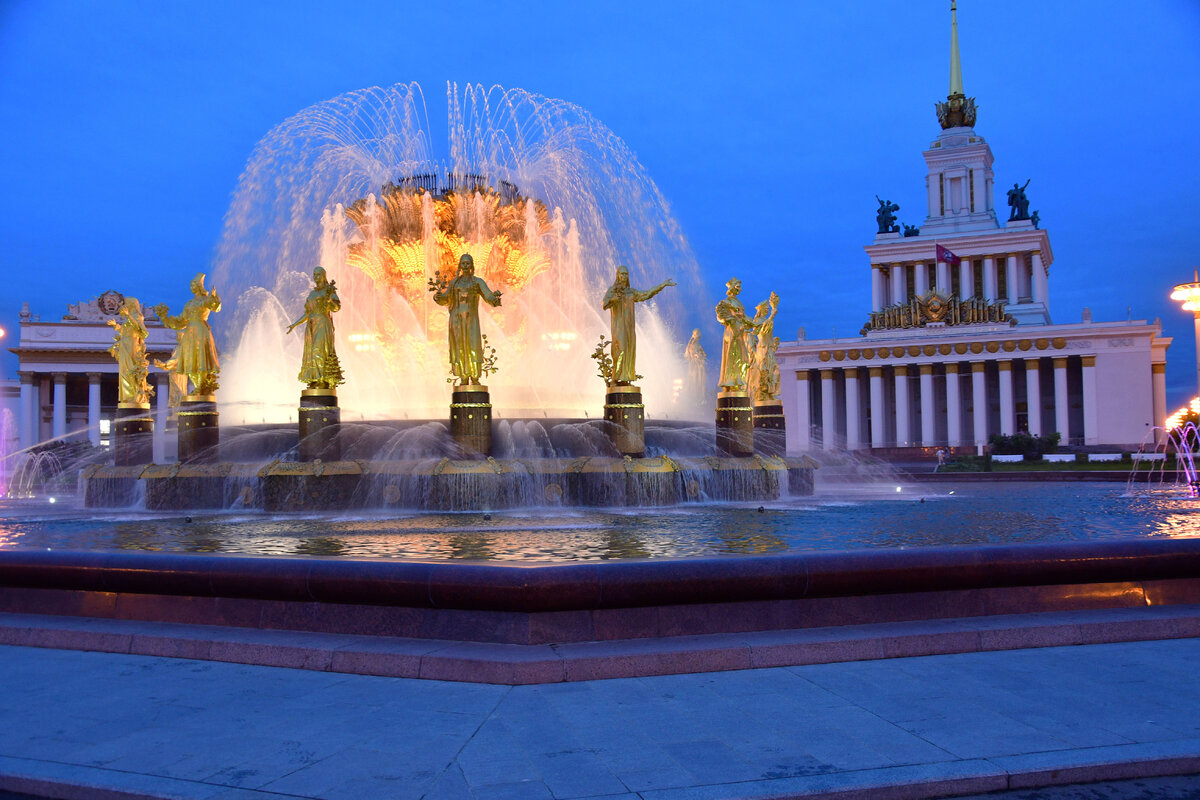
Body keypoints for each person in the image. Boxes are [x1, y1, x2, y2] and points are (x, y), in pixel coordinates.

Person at [429, 254, 502, 385]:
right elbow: (446, 299)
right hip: (456, 320)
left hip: (471, 320)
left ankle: (475, 377)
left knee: (473, 346)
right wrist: (438, 297)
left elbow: (488, 294)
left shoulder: (478, 282)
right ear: (460, 265)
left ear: (472, 265)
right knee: (458, 347)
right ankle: (463, 377)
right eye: (463, 263)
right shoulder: (454, 283)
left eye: (468, 263)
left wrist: (494, 298)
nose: (465, 265)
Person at [601, 265, 674, 385]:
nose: (624, 276)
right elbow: (604, 304)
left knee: (629, 351)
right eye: (622, 274)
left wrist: (662, 285)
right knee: (621, 350)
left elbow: (647, 294)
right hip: (618, 327)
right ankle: (615, 378)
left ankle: (625, 379)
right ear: (618, 275)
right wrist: (614, 299)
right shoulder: (612, 290)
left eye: (626, 274)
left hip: (629, 328)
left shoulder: (631, 292)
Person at [154, 273, 222, 397]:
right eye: (191, 285)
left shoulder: (205, 300)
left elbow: (215, 307)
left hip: (200, 331)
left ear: (199, 286)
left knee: (201, 359)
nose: (192, 287)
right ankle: (198, 386)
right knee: (191, 361)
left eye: (194, 284)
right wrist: (165, 318)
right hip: (189, 333)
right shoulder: (189, 304)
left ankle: (201, 386)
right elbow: (180, 322)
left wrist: (214, 297)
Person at [286, 267, 344, 390]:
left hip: (323, 322)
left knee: (319, 350)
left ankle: (322, 380)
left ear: (323, 276)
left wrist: (329, 301)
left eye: (318, 274)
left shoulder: (329, 291)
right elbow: (307, 313)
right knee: (312, 352)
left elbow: (336, 308)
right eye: (314, 274)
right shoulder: (312, 294)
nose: (315, 277)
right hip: (311, 324)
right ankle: (315, 378)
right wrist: (294, 324)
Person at [107, 297, 152, 406]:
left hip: (133, 347)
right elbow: (126, 331)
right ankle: (127, 398)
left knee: (131, 371)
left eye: (126, 304)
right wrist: (116, 326)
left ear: (132, 305)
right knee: (124, 373)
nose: (123, 306)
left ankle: (135, 396)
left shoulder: (138, 316)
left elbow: (143, 332)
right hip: (125, 346)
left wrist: (128, 315)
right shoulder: (128, 319)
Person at [715, 278, 754, 392]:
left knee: (743, 358)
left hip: (739, 331)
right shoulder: (727, 302)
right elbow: (720, 315)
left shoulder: (738, 302)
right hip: (732, 331)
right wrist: (731, 319)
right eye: (738, 286)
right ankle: (730, 382)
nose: (740, 289)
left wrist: (755, 322)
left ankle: (737, 381)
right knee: (733, 356)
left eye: (740, 287)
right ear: (732, 287)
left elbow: (744, 317)